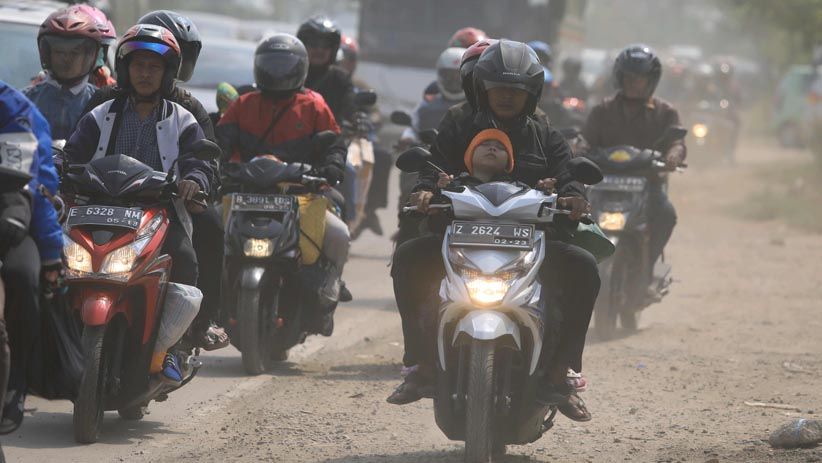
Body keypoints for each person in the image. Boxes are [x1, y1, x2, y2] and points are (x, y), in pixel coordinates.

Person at [388, 40, 599, 423]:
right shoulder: (458, 120)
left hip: (531, 240)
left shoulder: (543, 129)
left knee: (584, 267)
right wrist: (423, 190)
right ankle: (421, 364)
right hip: (462, 234)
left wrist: (573, 196)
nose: (506, 96)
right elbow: (432, 166)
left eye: (515, 90)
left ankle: (560, 371)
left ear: (530, 92)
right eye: (498, 88)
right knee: (407, 257)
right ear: (481, 87)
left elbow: (569, 173)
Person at [64, 24, 215, 383]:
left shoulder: (182, 118)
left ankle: (172, 347)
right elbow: (71, 153)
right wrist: (56, 172)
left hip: (159, 213)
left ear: (167, 73)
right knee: (57, 262)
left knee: (187, 260)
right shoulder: (102, 113)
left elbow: (200, 159)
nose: (145, 74)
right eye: (138, 66)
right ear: (125, 69)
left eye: (154, 67)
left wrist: (195, 180)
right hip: (97, 209)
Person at [216, 33, 350, 335]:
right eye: (271, 65)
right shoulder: (243, 104)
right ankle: (208, 306)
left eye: (284, 66)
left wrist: (332, 166)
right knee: (208, 229)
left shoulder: (315, 105)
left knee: (339, 234)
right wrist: (215, 167)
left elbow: (334, 144)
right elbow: (220, 143)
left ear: (300, 69)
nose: (277, 73)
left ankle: (329, 292)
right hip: (245, 193)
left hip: (300, 192)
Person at [583, 44, 685, 297]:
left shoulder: (665, 112)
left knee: (666, 214)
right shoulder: (602, 110)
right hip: (602, 185)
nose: (634, 84)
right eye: (629, 78)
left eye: (640, 79)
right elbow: (585, 140)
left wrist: (674, 154)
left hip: (647, 186)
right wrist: (577, 149)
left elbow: (677, 142)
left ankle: (646, 269)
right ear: (620, 78)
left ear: (651, 81)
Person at [0, 80, 61, 433]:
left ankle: (15, 382)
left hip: (10, 221)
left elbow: (34, 186)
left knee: (23, 278)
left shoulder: (15, 110)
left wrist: (52, 252)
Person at [23, 6, 104, 141]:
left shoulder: (102, 106)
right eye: (60, 52)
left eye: (74, 53)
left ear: (88, 56)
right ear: (47, 54)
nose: (66, 59)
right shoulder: (24, 101)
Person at [297, 16, 355, 124]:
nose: (319, 49)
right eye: (313, 43)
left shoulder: (340, 79)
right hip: (290, 136)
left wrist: (358, 118)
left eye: (325, 45)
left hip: (331, 138)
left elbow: (350, 111)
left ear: (333, 49)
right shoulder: (291, 74)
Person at [75, 4, 118, 88]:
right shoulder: (48, 88)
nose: (100, 55)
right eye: (91, 47)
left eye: (103, 47)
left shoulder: (108, 86)